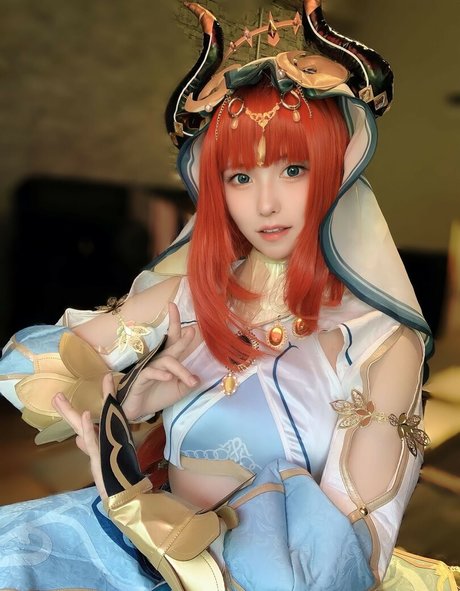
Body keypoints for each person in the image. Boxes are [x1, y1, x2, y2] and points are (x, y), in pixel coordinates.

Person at [0, 2, 455, 590]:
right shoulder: (188, 298)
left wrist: (143, 508)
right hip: (133, 548)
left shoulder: (379, 342)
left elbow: (337, 566)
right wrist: (128, 401)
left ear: (338, 169)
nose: (265, 204)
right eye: (241, 177)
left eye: (293, 170)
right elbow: (26, 368)